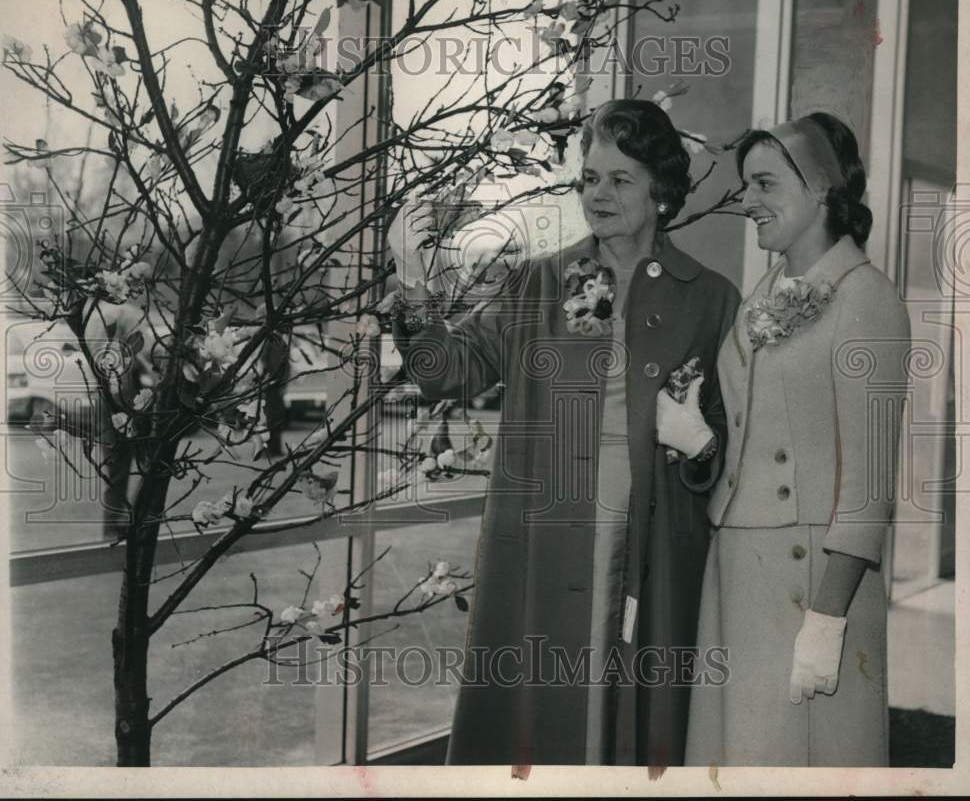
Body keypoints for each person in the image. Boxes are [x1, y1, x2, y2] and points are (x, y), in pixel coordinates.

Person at [387, 99, 741, 766]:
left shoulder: (711, 298)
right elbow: (447, 372)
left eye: (620, 179)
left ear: (662, 190)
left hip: (653, 551)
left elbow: (728, 445)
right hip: (547, 545)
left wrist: (699, 442)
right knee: (546, 723)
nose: (598, 194)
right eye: (589, 177)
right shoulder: (547, 281)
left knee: (633, 727)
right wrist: (413, 284)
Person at [683, 112, 911, 766]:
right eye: (744, 185)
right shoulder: (768, 291)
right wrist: (699, 438)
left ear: (819, 189)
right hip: (737, 573)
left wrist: (827, 619)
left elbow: (868, 488)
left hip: (810, 583)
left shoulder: (866, 299)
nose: (746, 201)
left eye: (763, 183)